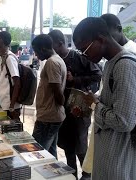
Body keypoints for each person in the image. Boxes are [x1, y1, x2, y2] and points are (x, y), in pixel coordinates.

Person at [73, 17, 136, 180]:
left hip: (118, 157)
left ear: (100, 39)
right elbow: (112, 102)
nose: (84, 56)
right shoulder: (110, 64)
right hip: (107, 152)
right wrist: (90, 105)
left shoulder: (125, 66)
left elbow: (124, 121)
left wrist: (94, 105)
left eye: (85, 49)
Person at [48, 29, 102, 180]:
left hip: (80, 106)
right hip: (63, 106)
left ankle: (86, 174)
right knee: (66, 143)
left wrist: (75, 79)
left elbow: (97, 75)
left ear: (60, 43)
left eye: (52, 46)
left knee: (80, 142)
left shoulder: (79, 57)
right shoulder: (55, 59)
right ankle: (72, 175)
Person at [31, 34, 67, 159]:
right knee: (50, 154)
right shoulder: (57, 60)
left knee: (37, 153)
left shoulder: (52, 62)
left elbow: (57, 91)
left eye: (36, 51)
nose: (36, 55)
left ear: (43, 49)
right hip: (50, 115)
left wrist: (61, 103)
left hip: (48, 117)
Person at [0, 31, 21, 119]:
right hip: (5, 103)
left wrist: (12, 106)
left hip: (10, 106)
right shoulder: (3, 57)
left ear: (1, 41)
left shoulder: (10, 58)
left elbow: (17, 83)